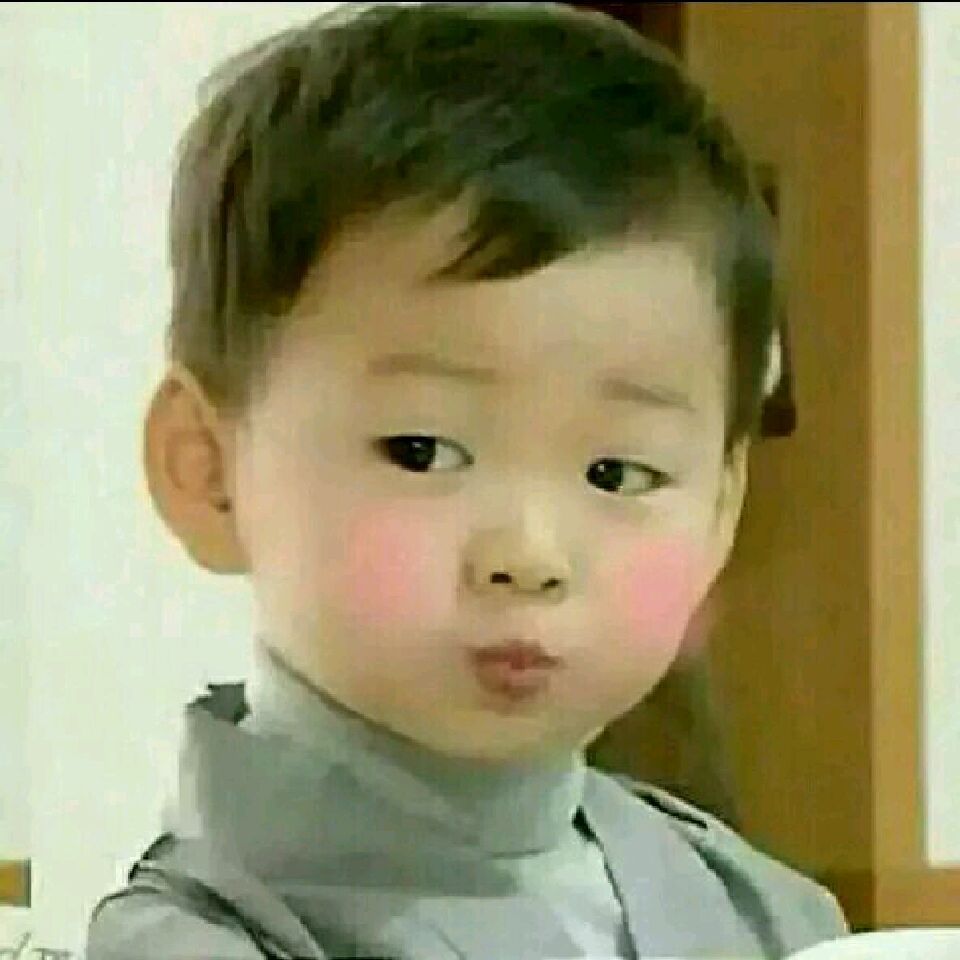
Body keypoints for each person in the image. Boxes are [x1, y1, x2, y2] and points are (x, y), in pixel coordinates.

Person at [85, 3, 849, 957]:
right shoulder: (199, 940)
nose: (528, 554)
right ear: (206, 470)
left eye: (617, 472)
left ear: (722, 507)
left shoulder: (768, 913)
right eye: (422, 451)